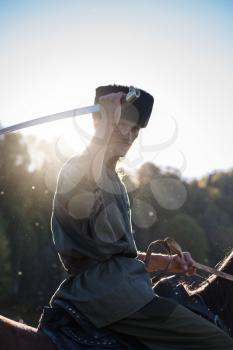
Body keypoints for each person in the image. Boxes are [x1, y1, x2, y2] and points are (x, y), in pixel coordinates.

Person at [48, 85, 233, 349]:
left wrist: (166, 262)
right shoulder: (78, 169)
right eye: (122, 124)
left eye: (135, 129)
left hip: (122, 290)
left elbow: (117, 260)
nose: (129, 135)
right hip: (107, 297)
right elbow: (86, 192)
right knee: (219, 343)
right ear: (97, 120)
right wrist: (104, 128)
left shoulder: (114, 180)